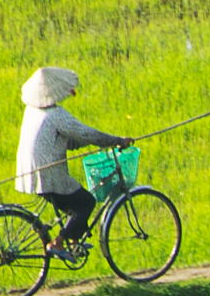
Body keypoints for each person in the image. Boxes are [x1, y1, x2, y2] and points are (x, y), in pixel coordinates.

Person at [17, 67, 132, 260]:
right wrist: (117, 140)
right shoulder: (56, 115)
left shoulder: (33, 111)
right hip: (48, 174)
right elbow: (85, 133)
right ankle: (58, 242)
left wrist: (85, 142)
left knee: (73, 203)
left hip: (28, 171)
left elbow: (67, 139)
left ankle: (74, 241)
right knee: (86, 202)